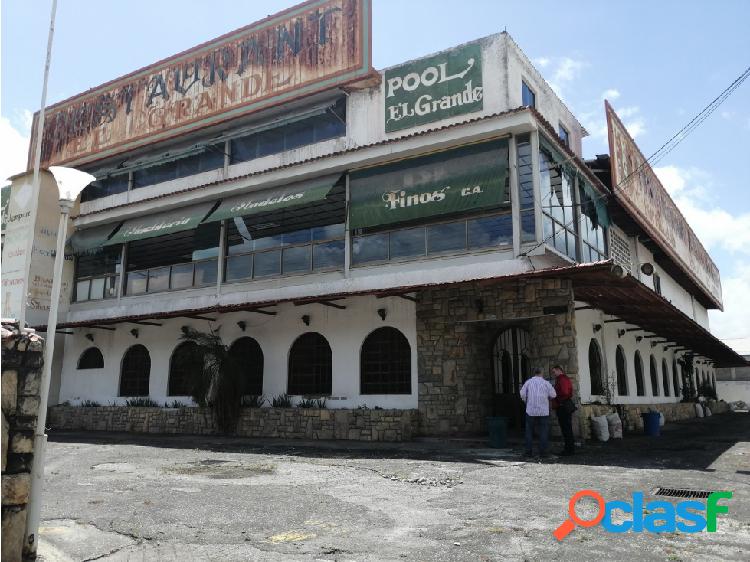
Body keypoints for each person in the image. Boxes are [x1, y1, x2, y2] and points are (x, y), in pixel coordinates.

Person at [520, 367, 556, 458]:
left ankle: (528, 452)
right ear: (542, 373)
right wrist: (548, 399)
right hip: (543, 410)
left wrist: (526, 401)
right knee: (543, 431)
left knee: (529, 431)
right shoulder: (546, 383)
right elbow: (553, 395)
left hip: (530, 410)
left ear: (534, 373)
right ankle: (543, 452)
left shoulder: (528, 382)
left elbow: (522, 393)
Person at [551, 365, 575, 456]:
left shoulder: (562, 379)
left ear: (558, 370)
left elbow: (565, 392)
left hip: (563, 406)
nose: (553, 374)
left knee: (566, 428)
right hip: (563, 405)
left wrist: (557, 397)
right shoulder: (563, 379)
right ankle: (569, 448)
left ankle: (569, 449)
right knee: (566, 428)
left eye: (554, 372)